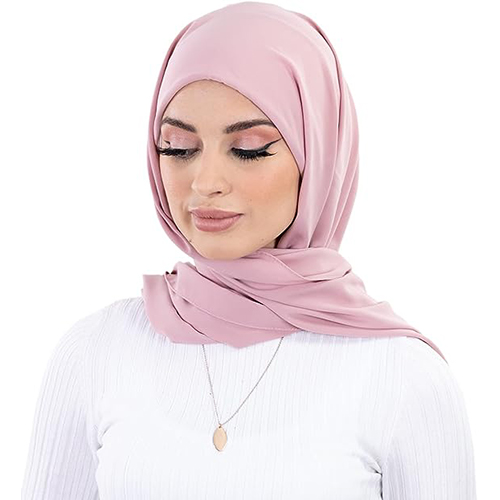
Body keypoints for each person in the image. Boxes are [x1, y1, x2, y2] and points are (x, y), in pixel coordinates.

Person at [21, 2, 477, 498]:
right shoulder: (96, 351)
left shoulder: (404, 378)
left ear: (318, 153)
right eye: (177, 148)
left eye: (249, 149)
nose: (206, 182)